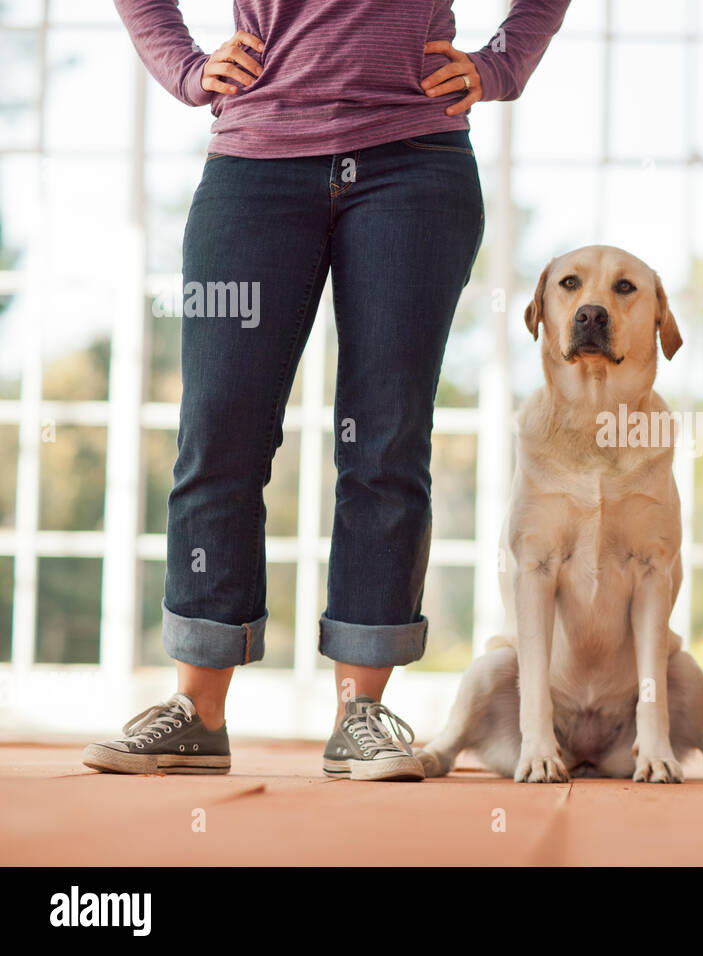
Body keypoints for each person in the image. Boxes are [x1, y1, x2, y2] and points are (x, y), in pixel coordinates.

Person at [83, 0, 570, 782]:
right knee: (220, 432)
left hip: (417, 165)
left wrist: (501, 64)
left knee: (385, 437)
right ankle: (198, 715)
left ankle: (361, 713)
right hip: (254, 166)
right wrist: (183, 66)